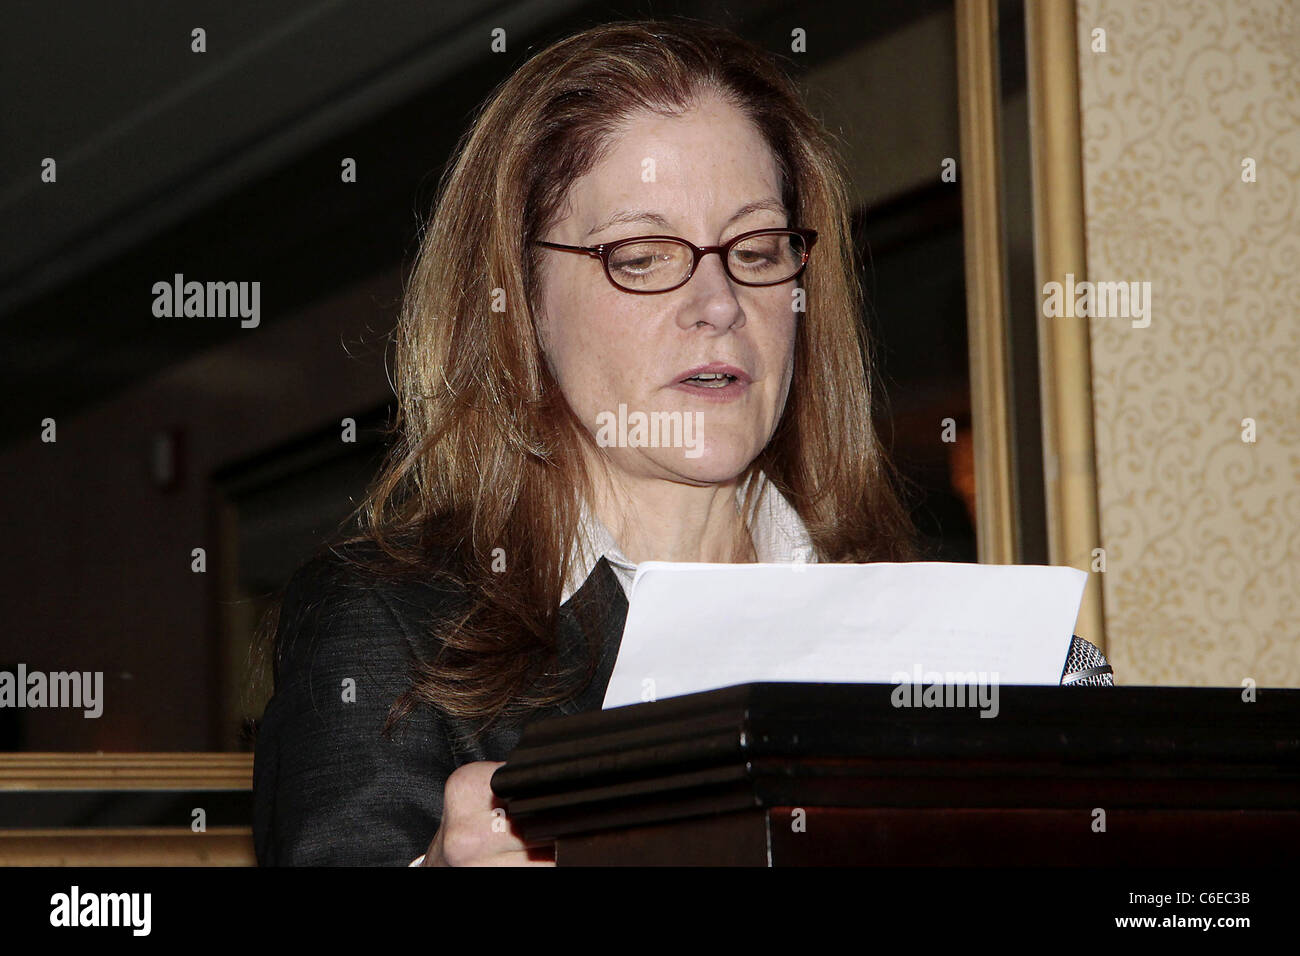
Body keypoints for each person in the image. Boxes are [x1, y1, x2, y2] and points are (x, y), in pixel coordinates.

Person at [252, 17, 1112, 868]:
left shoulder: (925, 626)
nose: (719, 301)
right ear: (518, 304)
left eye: (757, 247)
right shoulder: (387, 625)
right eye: (644, 253)